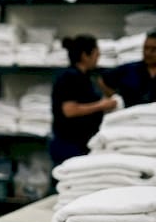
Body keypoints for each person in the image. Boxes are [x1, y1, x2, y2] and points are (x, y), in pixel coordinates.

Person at [49, 34, 120, 166]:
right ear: (84, 55)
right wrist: (101, 105)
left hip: (80, 142)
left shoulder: (84, 77)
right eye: (96, 54)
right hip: (69, 143)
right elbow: (69, 110)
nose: (98, 58)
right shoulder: (70, 77)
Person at [103, 28, 156, 108]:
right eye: (146, 48)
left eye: (154, 49)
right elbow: (103, 79)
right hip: (130, 116)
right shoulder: (130, 69)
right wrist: (116, 99)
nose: (148, 53)